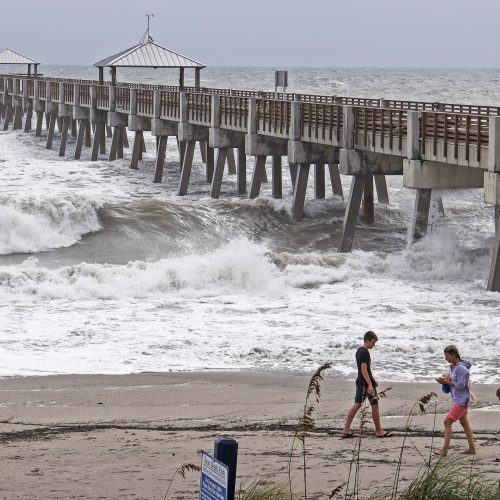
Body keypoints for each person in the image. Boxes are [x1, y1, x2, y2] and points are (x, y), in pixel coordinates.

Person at [342, 331, 392, 438]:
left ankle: (346, 429)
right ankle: (379, 431)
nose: (374, 345)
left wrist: (373, 380)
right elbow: (364, 369)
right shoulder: (365, 353)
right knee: (375, 406)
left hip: (360, 382)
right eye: (373, 342)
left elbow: (365, 370)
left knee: (357, 405)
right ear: (367, 340)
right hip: (365, 384)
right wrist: (370, 385)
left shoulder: (359, 351)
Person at [434, 345, 476, 456]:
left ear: (453, 355)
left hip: (461, 401)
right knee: (465, 424)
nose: (445, 358)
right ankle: (472, 449)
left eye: (447, 356)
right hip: (457, 399)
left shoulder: (462, 368)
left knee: (447, 422)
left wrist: (447, 382)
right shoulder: (452, 366)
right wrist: (444, 380)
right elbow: (453, 382)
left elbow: (462, 385)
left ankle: (444, 450)